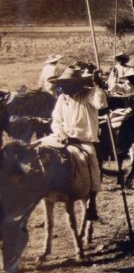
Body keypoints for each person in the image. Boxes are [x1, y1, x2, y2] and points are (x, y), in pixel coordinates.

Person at [47, 67, 107, 220]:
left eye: (68, 84)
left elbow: (101, 104)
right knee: (44, 150)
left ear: (76, 84)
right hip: (63, 138)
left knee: (93, 161)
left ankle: (91, 202)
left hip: (84, 139)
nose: (64, 88)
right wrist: (60, 133)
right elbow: (56, 120)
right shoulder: (62, 99)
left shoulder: (88, 94)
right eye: (63, 85)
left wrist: (98, 85)